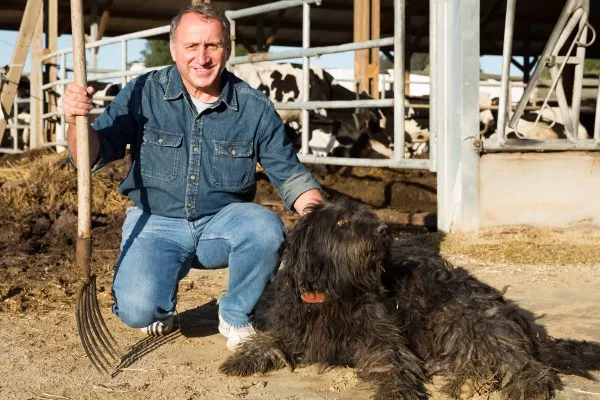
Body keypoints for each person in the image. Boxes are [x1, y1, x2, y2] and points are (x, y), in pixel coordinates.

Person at [63, 3, 323, 350]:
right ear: (174, 49)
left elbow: (290, 175)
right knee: (138, 311)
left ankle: (235, 315)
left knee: (264, 227)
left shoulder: (253, 107)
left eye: (212, 45)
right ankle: (159, 299)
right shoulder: (143, 93)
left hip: (222, 223)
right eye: (191, 46)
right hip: (156, 220)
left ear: (227, 48)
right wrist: (74, 120)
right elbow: (91, 156)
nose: (202, 57)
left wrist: (317, 215)